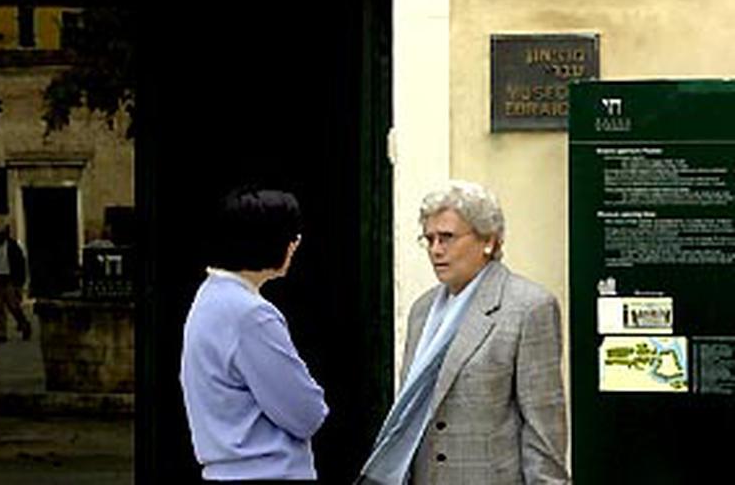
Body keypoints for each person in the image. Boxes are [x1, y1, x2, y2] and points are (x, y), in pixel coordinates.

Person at [357, 180, 570, 484]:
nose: (435, 250)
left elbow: (543, 427)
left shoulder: (527, 307)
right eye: (428, 239)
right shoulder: (423, 310)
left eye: (447, 238)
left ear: (488, 241)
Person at [180, 188, 329, 482]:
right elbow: (305, 413)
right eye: (292, 237)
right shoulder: (252, 315)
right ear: (272, 242)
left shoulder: (207, 298)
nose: (295, 246)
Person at [0, 215, 31, 344]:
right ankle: (1, 334)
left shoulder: (13, 247)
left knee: (14, 306)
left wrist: (20, 283)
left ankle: (24, 324)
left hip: (9, 280)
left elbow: (20, 264)